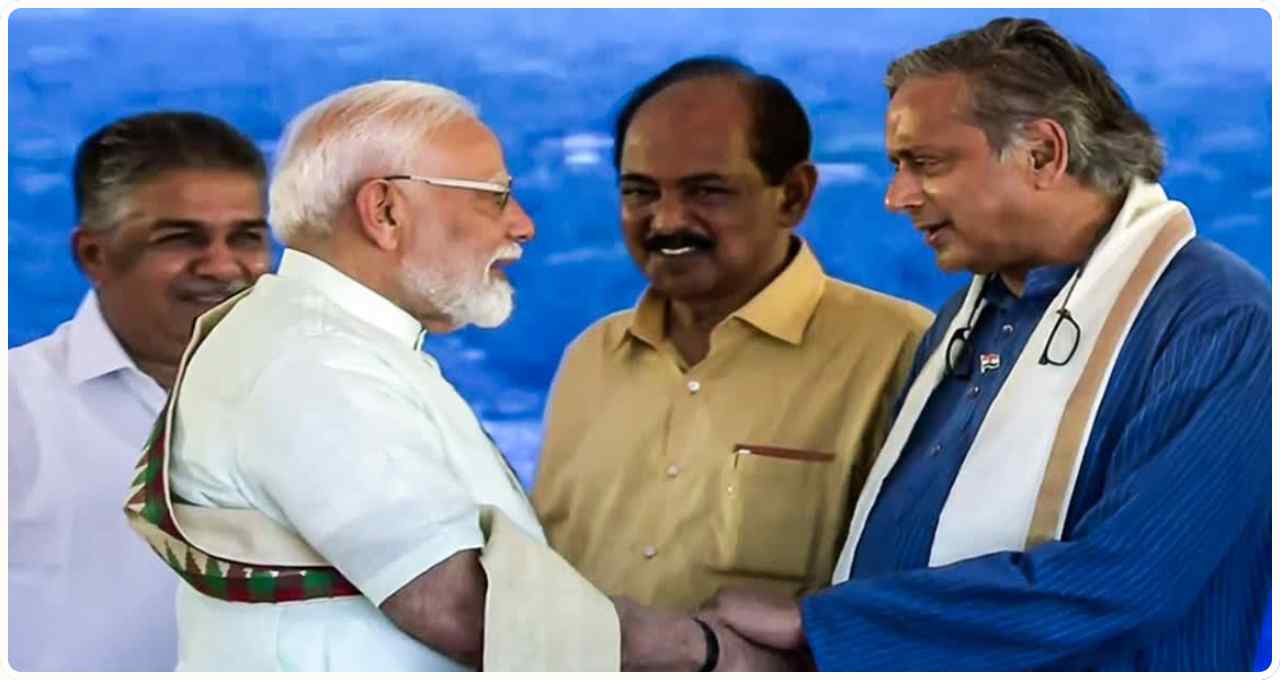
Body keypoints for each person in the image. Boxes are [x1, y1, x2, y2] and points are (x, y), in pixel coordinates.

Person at [134, 79, 794, 671]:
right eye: (495, 197)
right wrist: (711, 652)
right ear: (385, 211)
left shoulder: (318, 342)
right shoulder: (314, 362)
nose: (522, 226)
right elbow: (462, 608)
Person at [699, 17, 1271, 672]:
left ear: (1043, 155)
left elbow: (1129, 580)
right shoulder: (966, 318)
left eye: (925, 164)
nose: (896, 198)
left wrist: (820, 624)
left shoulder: (1219, 322)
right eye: (897, 167)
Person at [531, 57, 933, 612]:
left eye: (707, 192)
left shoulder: (899, 352)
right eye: (640, 192)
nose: (667, 221)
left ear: (792, 195)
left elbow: (915, 603)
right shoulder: (592, 358)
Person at [8, 112, 271, 671]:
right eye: (180, 239)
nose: (223, 266)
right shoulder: (15, 411)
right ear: (93, 255)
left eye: (246, 237)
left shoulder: (334, 401)